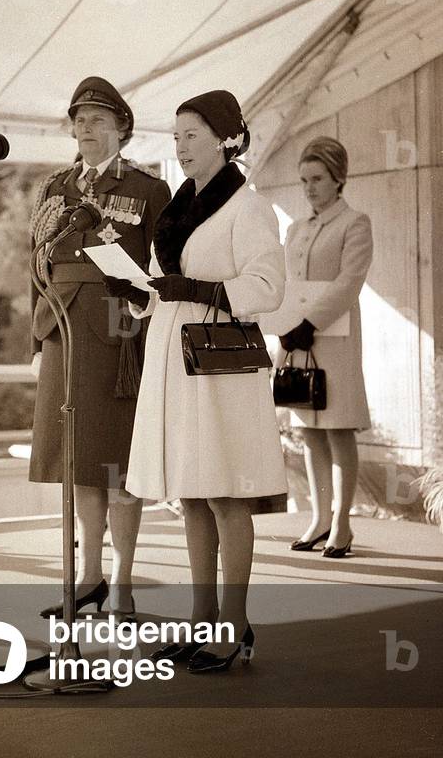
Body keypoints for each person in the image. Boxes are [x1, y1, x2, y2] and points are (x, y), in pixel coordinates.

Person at [123, 90, 286, 672]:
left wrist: (200, 291)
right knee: (191, 491)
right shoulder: (179, 206)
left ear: (222, 137)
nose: (181, 146)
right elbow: (167, 281)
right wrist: (139, 291)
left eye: (191, 135)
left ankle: (234, 623)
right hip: (175, 357)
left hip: (219, 366)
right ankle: (202, 622)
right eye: (175, 137)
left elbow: (268, 286)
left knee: (223, 493)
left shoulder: (248, 205)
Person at [29, 76, 171, 616]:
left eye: (97, 120)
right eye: (79, 120)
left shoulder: (148, 189)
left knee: (117, 464)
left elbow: (163, 267)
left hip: (118, 338)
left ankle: (124, 580)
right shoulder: (54, 188)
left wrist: (146, 313)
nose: (85, 128)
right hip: (60, 331)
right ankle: (88, 576)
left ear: (122, 129)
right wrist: (35, 336)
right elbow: (36, 265)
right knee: (79, 464)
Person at [282, 137, 372, 559]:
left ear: (338, 178)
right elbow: (285, 283)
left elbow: (348, 282)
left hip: (332, 340)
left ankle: (342, 523)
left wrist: (308, 322)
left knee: (337, 429)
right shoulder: (295, 230)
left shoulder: (355, 223)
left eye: (317, 178)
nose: (309, 188)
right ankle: (319, 517)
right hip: (298, 341)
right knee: (308, 431)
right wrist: (284, 324)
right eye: (303, 180)